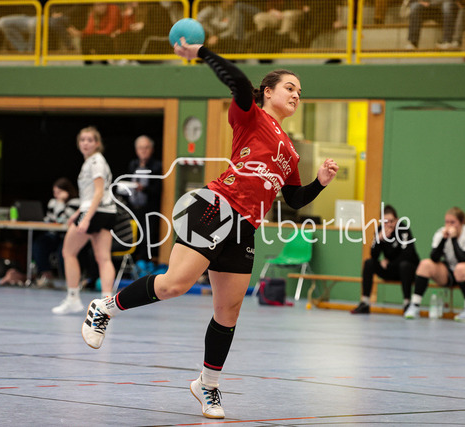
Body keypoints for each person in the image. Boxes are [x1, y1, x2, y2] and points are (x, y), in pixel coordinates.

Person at [80, 40, 338, 419]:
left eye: (300, 91)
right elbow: (238, 82)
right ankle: (104, 308)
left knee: (228, 311)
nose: (297, 95)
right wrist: (202, 52)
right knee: (175, 284)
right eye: (289, 87)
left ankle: (208, 385)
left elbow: (295, 199)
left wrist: (320, 182)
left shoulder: (291, 151)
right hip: (215, 207)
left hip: (246, 227)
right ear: (268, 92)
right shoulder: (250, 117)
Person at [52, 126, 117, 315]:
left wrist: (86, 218)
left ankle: (73, 298)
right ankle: (107, 304)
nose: (86, 143)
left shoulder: (95, 162)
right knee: (103, 258)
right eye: (83, 140)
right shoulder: (93, 161)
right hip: (107, 212)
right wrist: (78, 212)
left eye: (90, 140)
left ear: (97, 143)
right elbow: (91, 195)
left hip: (96, 212)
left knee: (68, 252)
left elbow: (98, 192)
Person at [404, 207, 465, 322]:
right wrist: (443, 240)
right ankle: (414, 306)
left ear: (462, 222)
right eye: (447, 222)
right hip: (452, 270)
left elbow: (463, 259)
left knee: (461, 268)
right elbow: (434, 257)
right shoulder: (441, 233)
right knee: (425, 264)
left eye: (453, 222)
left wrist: (453, 239)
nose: (449, 226)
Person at [351, 205, 420, 314]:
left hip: (407, 271)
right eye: (385, 222)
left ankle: (407, 303)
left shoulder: (403, 229)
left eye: (391, 221)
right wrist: (378, 240)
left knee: (404, 265)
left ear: (396, 220)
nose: (388, 224)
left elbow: (407, 254)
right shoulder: (380, 230)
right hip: (390, 269)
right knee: (369, 263)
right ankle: (365, 302)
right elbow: (373, 255)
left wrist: (389, 263)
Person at [31, 177, 80, 288]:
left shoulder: (76, 202)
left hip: (69, 235)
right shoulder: (52, 202)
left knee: (63, 251)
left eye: (59, 192)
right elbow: (50, 218)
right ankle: (46, 275)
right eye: (55, 192)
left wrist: (60, 203)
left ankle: (68, 280)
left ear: (67, 191)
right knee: (39, 244)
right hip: (54, 234)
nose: (56, 195)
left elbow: (61, 218)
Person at [124, 135, 162, 260]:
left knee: (147, 237)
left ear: (152, 149)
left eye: (146, 148)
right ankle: (132, 262)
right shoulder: (133, 164)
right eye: (140, 148)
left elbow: (158, 189)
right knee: (132, 236)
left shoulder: (157, 166)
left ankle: (144, 263)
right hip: (133, 208)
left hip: (149, 209)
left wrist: (143, 188)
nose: (143, 151)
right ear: (136, 150)